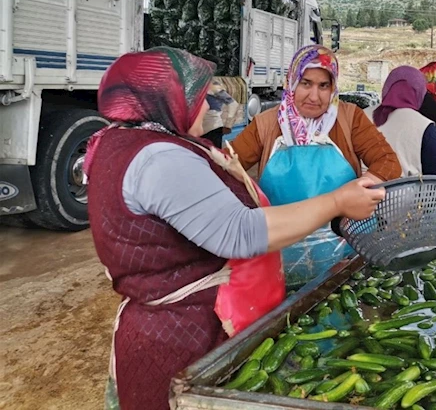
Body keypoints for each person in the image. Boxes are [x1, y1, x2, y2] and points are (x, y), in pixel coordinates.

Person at [85, 47, 384, 410]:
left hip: (314, 256)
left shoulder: (119, 142)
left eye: (324, 85)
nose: (208, 107)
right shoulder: (159, 158)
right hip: (182, 332)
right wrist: (336, 202)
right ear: (167, 100)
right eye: (198, 97)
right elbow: (241, 232)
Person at [231, 45, 401, 200]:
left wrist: (357, 192)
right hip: (280, 224)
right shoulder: (266, 124)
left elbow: (387, 161)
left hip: (340, 224)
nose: (314, 97)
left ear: (333, 88)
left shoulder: (350, 118)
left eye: (323, 86)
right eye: (306, 84)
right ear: (292, 83)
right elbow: (227, 166)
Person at [366, 66, 436, 176]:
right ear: (420, 92)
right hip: (405, 186)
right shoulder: (422, 124)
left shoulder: (360, 115)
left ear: (387, 87)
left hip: (357, 184)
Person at [202, 77, 238, 148]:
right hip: (201, 129)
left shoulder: (212, 85)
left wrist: (228, 125)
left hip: (212, 128)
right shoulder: (195, 85)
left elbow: (233, 104)